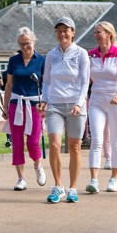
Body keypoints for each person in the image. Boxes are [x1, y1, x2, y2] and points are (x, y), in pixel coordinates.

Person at [37, 16, 90, 203]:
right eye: (59, 30)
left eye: (66, 30)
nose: (62, 33)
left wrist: (79, 103)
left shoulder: (82, 54)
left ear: (73, 32)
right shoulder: (51, 55)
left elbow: (84, 83)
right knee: (54, 145)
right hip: (55, 105)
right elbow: (47, 81)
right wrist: (44, 100)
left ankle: (73, 188)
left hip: (76, 106)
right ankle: (58, 186)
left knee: (75, 147)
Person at [85, 21, 117, 194]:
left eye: (99, 32)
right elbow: (87, 79)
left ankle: (114, 179)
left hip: (116, 102)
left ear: (109, 34)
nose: (95, 35)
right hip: (96, 101)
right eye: (95, 33)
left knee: (116, 142)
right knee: (96, 140)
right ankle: (94, 180)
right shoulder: (91, 55)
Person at [2, 27, 47, 191]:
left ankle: (37, 165)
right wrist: (6, 105)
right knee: (17, 142)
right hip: (16, 102)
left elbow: (46, 84)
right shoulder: (14, 61)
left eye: (27, 43)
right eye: (22, 44)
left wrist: (46, 103)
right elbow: (9, 84)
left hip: (35, 104)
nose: (25, 47)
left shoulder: (42, 60)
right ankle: (21, 178)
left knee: (33, 141)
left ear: (33, 42)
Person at [0, 69, 12, 147]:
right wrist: (0, 81)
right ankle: (9, 140)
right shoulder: (5, 73)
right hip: (9, 99)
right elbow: (4, 88)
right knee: (9, 120)